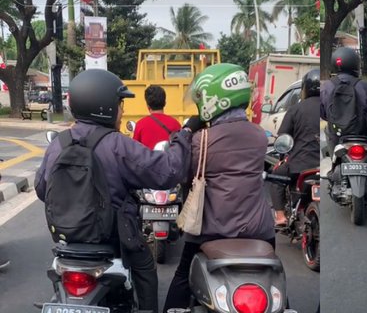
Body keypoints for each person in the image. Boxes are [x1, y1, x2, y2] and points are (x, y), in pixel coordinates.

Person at [35, 69, 200, 312]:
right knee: (146, 267)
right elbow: (167, 172)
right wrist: (184, 134)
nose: (122, 111)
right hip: (114, 239)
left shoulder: (58, 143)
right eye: (120, 104)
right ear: (105, 106)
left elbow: (41, 189)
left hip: (66, 242)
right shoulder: (117, 144)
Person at [163, 63, 276, 312]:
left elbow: (177, 171)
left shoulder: (199, 140)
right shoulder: (259, 135)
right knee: (274, 280)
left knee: (182, 276)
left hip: (210, 231)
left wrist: (184, 131)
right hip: (259, 231)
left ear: (214, 99)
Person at [320, 47, 367, 206]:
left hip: (338, 134)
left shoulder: (326, 87)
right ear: (355, 64)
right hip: (363, 134)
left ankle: (335, 168)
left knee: (329, 132)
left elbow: (322, 112)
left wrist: (336, 121)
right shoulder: (363, 86)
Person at [270, 68, 321, 227]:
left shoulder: (296, 109)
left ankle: (280, 217)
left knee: (276, 177)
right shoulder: (329, 106)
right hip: (324, 164)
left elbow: (283, 137)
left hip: (300, 165)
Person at [132, 85, 181, 149]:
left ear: (147, 105)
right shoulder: (176, 124)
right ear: (165, 103)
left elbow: (134, 150)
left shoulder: (140, 125)